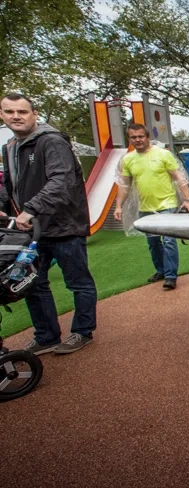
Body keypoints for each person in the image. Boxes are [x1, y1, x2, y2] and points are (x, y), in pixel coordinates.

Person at [0, 93, 97, 355]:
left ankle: (82, 331)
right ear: (2, 115)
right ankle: (46, 336)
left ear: (34, 114)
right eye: (10, 112)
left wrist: (31, 208)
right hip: (31, 230)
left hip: (65, 226)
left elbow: (61, 181)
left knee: (78, 281)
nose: (16, 116)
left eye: (22, 111)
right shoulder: (10, 146)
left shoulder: (52, 141)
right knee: (31, 283)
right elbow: (10, 184)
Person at [115, 123, 189, 290]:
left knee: (169, 240)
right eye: (133, 137)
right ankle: (161, 270)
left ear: (147, 137)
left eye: (140, 136)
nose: (137, 140)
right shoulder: (128, 160)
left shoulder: (163, 154)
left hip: (167, 204)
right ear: (129, 139)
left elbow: (179, 177)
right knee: (153, 242)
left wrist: (188, 199)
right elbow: (124, 186)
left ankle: (171, 276)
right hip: (145, 207)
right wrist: (118, 206)